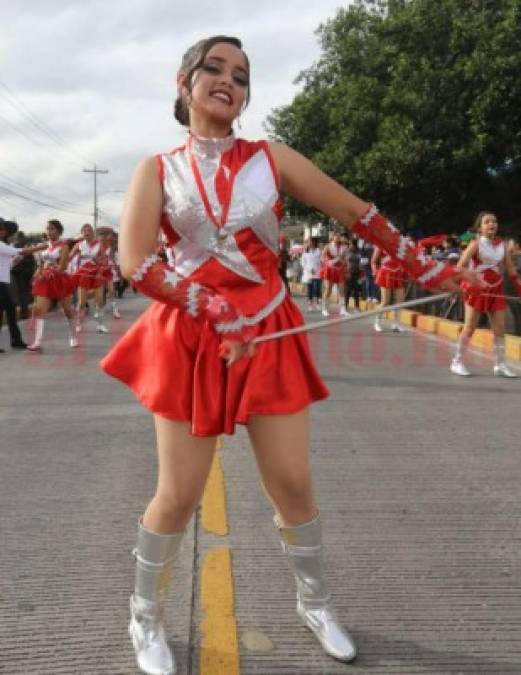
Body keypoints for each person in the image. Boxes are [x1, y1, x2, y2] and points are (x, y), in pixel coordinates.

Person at [99, 35, 474, 675]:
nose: (228, 81)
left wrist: (425, 268)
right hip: (193, 340)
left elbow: (357, 212)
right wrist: (213, 309)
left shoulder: (270, 158)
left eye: (241, 76)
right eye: (214, 69)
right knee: (179, 494)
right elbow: (134, 262)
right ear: (184, 82)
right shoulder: (156, 169)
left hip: (268, 331)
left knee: (293, 484)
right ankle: (145, 617)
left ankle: (316, 603)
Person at [450, 212, 521, 377]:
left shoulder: (502, 246)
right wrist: (462, 285)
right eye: (487, 222)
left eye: (494, 221)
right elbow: (459, 267)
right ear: (480, 227)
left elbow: (511, 270)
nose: (492, 224)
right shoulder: (475, 244)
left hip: (496, 290)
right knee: (470, 327)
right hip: (477, 289)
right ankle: (457, 361)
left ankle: (500, 364)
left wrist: (519, 289)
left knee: (500, 328)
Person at [25, 219, 78, 351]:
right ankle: (37, 342)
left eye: (52, 229)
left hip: (60, 280)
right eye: (47, 229)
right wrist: (36, 275)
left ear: (59, 231)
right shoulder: (44, 246)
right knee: (39, 310)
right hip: (44, 280)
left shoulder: (64, 246)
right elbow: (41, 265)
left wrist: (51, 272)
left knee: (67, 310)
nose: (49, 231)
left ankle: (73, 336)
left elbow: (62, 266)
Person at [69, 223, 111, 333]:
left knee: (100, 300)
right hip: (84, 274)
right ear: (82, 233)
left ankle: (101, 325)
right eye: (85, 231)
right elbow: (69, 257)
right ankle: (78, 323)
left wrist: (99, 262)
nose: (87, 233)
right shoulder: (79, 245)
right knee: (82, 302)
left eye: (89, 231)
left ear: (93, 233)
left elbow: (105, 260)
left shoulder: (99, 244)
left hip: (97, 273)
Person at [0, 218, 27, 351]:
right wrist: (42, 246)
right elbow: (20, 251)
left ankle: (16, 340)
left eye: (3, 229)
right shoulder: (0, 245)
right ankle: (16, 340)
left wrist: (16, 260)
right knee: (10, 310)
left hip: (2, 282)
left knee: (6, 312)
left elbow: (7, 265)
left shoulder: (3, 245)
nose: (2, 232)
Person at [371, 243, 406, 332]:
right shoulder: (381, 245)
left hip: (398, 273)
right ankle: (377, 322)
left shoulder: (400, 245)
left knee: (399, 301)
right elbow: (374, 261)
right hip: (386, 273)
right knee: (385, 301)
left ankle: (396, 324)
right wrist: (375, 271)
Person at [321, 231, 348, 316]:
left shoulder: (344, 247)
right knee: (328, 289)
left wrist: (344, 264)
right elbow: (322, 258)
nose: (338, 238)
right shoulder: (328, 246)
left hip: (340, 270)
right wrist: (328, 262)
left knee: (341, 290)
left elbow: (345, 258)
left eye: (339, 236)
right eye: (336, 236)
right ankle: (324, 308)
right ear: (332, 237)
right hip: (330, 270)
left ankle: (343, 309)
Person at [301, 236, 322, 311]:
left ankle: (318, 303)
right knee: (309, 289)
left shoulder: (318, 251)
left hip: (317, 272)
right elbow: (303, 263)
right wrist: (308, 270)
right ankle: (310, 305)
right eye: (308, 242)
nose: (309, 243)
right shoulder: (305, 251)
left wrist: (319, 269)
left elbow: (321, 261)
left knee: (317, 289)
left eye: (310, 241)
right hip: (308, 273)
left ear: (314, 242)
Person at [344, 239, 362, 312]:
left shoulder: (359, 252)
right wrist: (346, 272)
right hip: (348, 273)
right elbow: (343, 262)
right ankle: (345, 306)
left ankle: (357, 307)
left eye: (352, 244)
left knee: (356, 290)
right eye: (350, 244)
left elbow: (361, 261)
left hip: (357, 273)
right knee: (348, 290)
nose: (351, 245)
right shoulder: (346, 252)